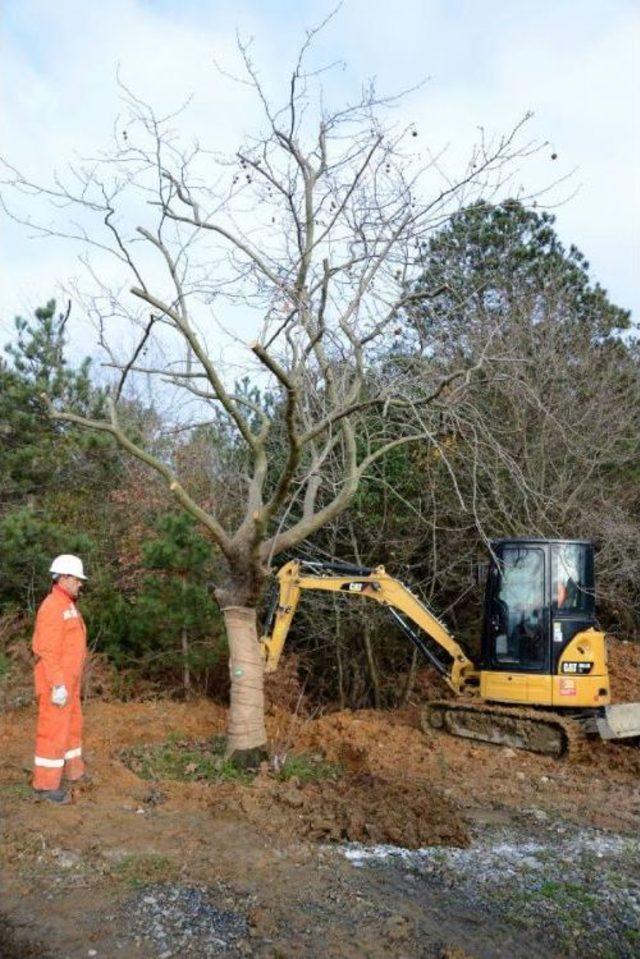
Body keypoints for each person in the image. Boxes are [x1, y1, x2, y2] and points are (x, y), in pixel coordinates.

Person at [32, 554, 88, 804]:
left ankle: (74, 771)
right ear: (63, 578)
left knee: (72, 726)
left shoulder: (67, 604)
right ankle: (45, 785)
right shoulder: (52, 607)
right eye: (77, 578)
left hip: (69, 682)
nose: (80, 583)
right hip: (57, 683)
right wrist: (57, 684)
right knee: (53, 732)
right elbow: (47, 650)